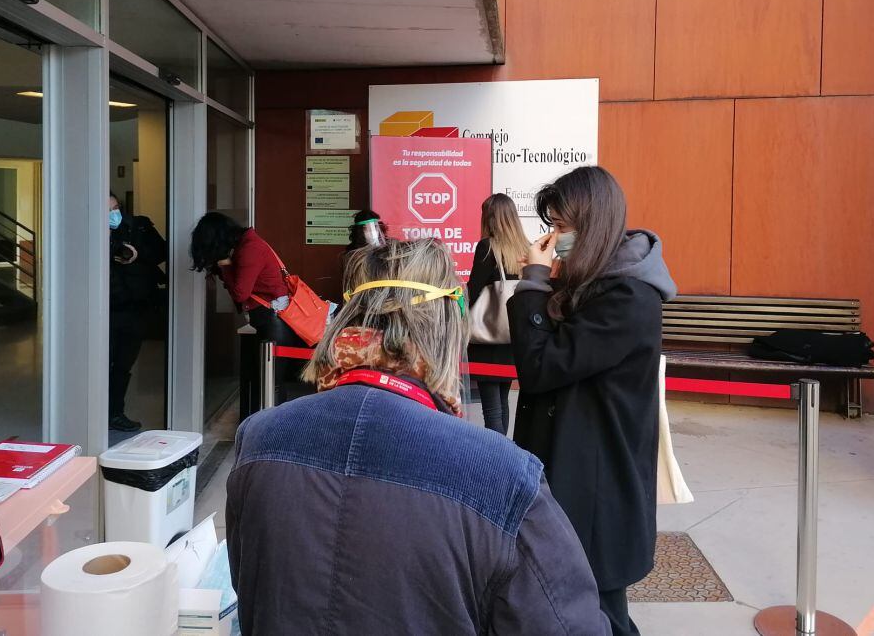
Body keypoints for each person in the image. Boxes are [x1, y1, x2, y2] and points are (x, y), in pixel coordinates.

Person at [227, 239, 609, 636]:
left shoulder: (258, 439)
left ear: (347, 318)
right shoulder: (502, 476)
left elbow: (250, 587)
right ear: (447, 325)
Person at [507, 166, 677, 636]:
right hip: (574, 466)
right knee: (572, 602)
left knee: (601, 610)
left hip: (597, 480)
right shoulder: (595, 284)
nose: (554, 238)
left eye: (561, 227)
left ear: (592, 224)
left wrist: (534, 282)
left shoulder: (628, 297)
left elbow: (541, 367)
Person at [189, 212, 298, 418]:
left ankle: (269, 429)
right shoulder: (247, 244)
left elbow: (241, 293)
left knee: (270, 382)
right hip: (269, 319)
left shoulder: (250, 249)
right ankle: (263, 426)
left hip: (274, 321)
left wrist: (225, 267)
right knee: (267, 380)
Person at [467, 193, 528, 435]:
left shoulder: (487, 247)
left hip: (488, 339)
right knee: (502, 403)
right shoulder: (526, 248)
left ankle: (496, 463)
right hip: (514, 338)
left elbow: (473, 290)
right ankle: (505, 454)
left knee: (492, 410)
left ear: (490, 218)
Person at [108, 193, 166, 432]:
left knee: (123, 364)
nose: (113, 214)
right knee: (100, 364)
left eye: (116, 207)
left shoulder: (139, 227)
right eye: (107, 211)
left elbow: (162, 253)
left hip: (135, 308)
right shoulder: (87, 233)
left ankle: (115, 413)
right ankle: (93, 412)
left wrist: (138, 254)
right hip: (104, 310)